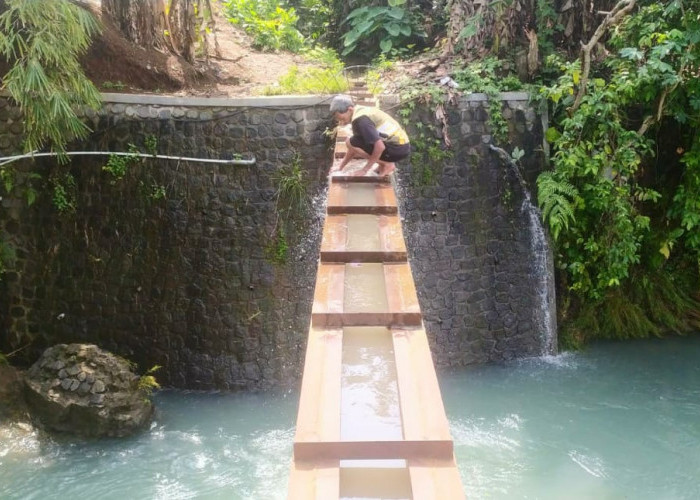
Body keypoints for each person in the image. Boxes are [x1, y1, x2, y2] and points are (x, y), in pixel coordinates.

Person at [329, 94, 410, 177]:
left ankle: (387, 164)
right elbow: (353, 146)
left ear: (350, 109)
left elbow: (380, 146)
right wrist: (341, 167)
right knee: (351, 141)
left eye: (342, 119)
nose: (341, 122)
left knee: (350, 142)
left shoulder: (360, 121)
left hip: (397, 149)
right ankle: (383, 164)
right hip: (402, 146)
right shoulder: (360, 110)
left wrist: (364, 170)